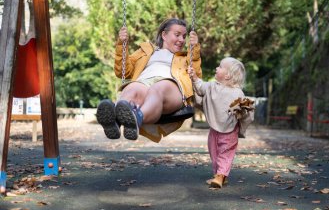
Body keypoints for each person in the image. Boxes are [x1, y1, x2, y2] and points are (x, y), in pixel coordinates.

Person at [96, 18, 202, 143]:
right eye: (177, 35)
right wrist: (122, 45)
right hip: (144, 83)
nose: (182, 40)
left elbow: (196, 75)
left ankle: (136, 118)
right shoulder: (145, 51)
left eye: (184, 36)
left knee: (158, 88)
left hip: (171, 88)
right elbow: (123, 71)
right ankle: (115, 122)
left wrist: (194, 48)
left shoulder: (185, 57)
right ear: (164, 35)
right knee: (132, 87)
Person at [188, 57, 254, 188]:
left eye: (220, 66)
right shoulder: (212, 86)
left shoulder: (237, 93)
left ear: (228, 75)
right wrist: (194, 77)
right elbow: (200, 87)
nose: (216, 68)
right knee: (214, 152)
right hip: (214, 129)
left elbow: (246, 111)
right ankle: (220, 175)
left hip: (230, 130)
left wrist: (243, 112)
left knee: (225, 152)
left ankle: (220, 176)